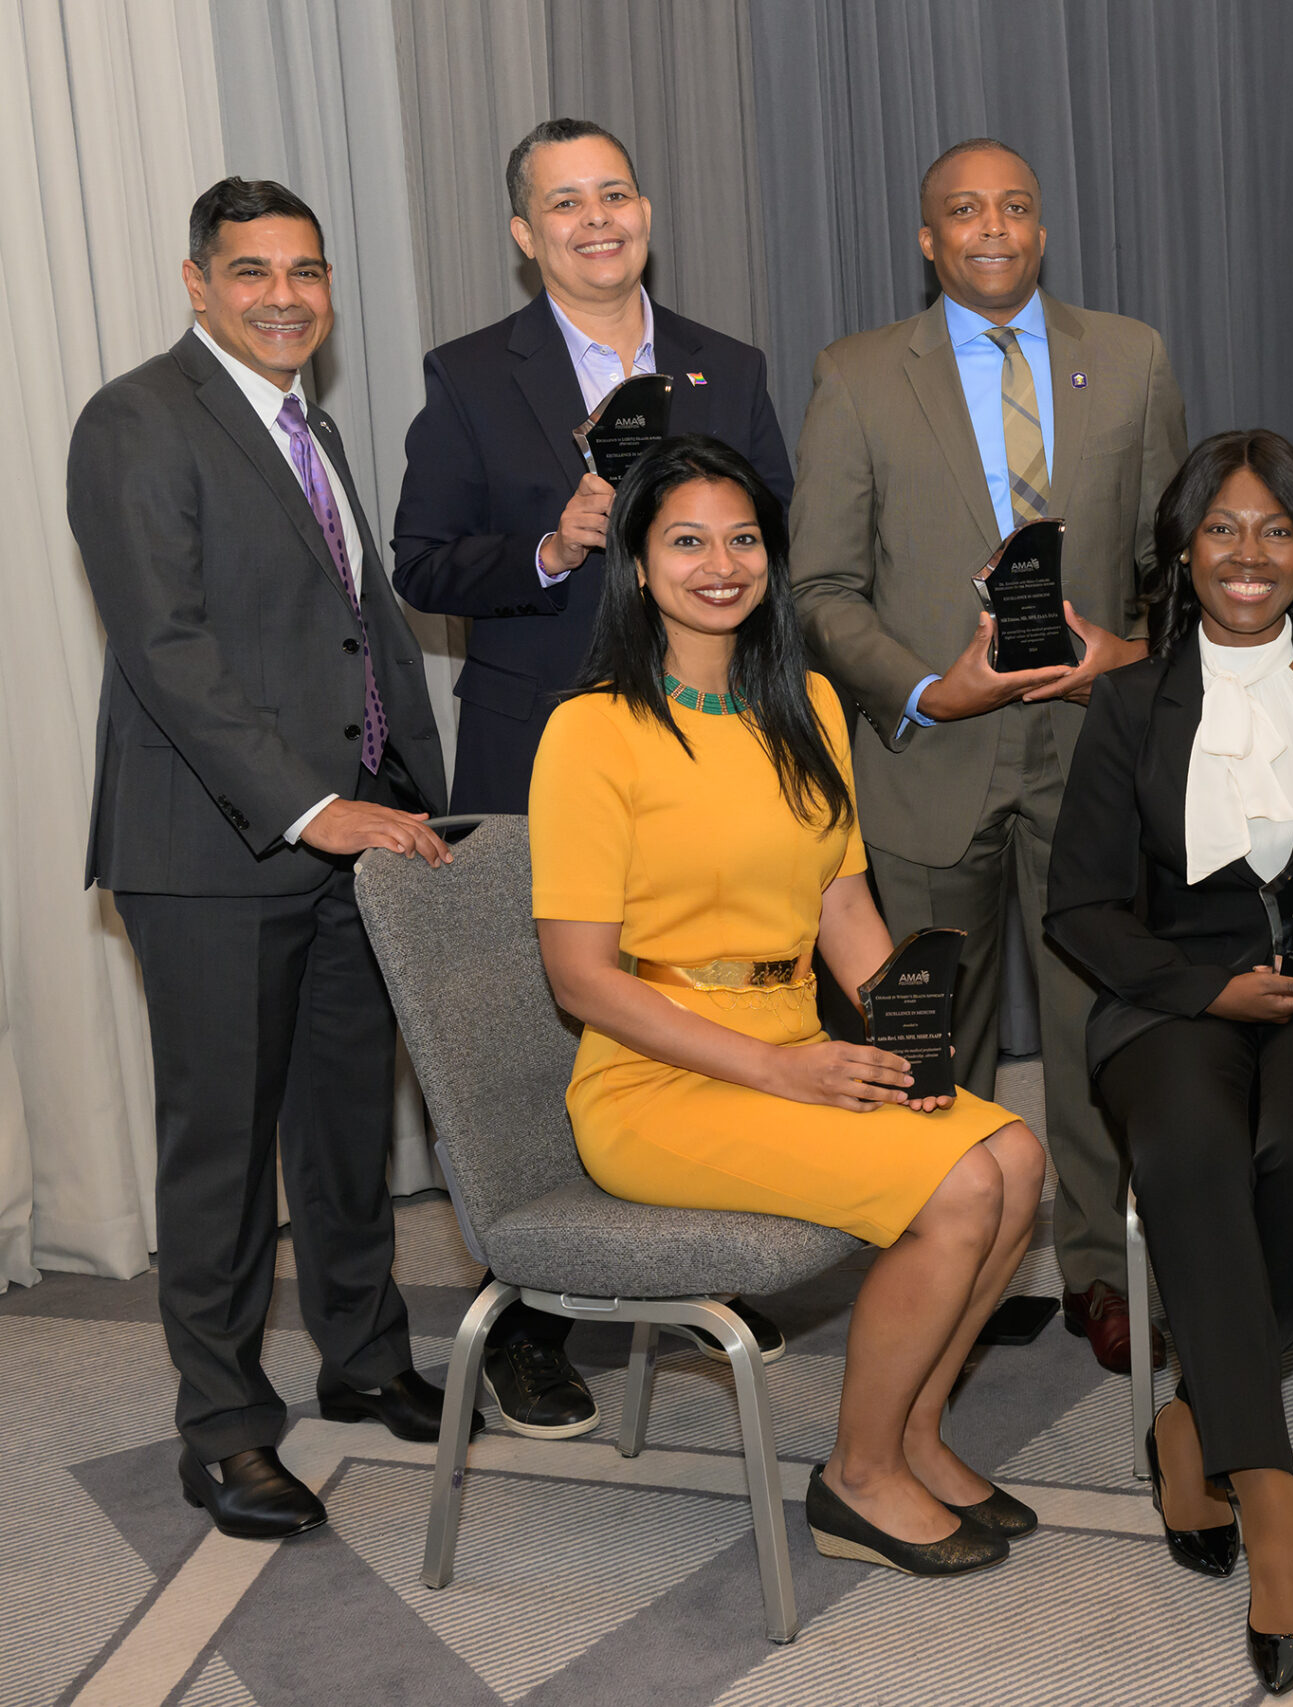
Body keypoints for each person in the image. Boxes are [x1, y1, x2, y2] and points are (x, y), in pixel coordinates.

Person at [529, 435, 1047, 1575]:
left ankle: (911, 1432)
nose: (721, 564)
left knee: (1012, 1157)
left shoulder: (807, 702)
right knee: (959, 1189)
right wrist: (780, 1071)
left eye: (743, 538)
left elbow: (843, 910)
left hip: (797, 1043)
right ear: (638, 561)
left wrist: (911, 1046)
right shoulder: (590, 731)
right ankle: (856, 1479)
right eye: (686, 541)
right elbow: (581, 980)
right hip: (653, 1081)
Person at [70, 178, 474, 1540]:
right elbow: (168, 651)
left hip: (359, 841)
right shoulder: (136, 420)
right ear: (198, 283)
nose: (286, 295)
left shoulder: (310, 423)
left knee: (348, 1126)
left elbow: (358, 629)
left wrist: (413, 798)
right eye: (252, 272)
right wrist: (314, 806)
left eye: (306, 270)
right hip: (215, 850)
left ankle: (362, 1359)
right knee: (223, 1148)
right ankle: (225, 1423)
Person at [392, 117, 796, 1436]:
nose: (595, 218)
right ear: (525, 236)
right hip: (541, 742)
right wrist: (556, 545)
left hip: (712, 737)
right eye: (563, 203)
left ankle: (712, 1252)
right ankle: (538, 1311)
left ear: (645, 210)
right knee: (533, 1023)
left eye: (614, 192)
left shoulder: (723, 367)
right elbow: (425, 562)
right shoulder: (469, 376)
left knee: (707, 976)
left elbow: (771, 532)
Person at [1046, 430, 1293, 1695]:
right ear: (1183, 548)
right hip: (1176, 1002)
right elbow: (1080, 906)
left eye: (1275, 529)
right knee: (1188, 1151)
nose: (1248, 553)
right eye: (1222, 527)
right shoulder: (1127, 701)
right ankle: (1273, 1502)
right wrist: (1205, 985)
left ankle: (1192, 1420)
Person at [794, 137, 1187, 1376]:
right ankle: (934, 1271)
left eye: (1016, 205)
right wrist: (927, 687)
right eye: (964, 211)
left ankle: (1098, 1272)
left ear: (1042, 228)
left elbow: (1176, 561)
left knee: (1091, 1029)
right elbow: (820, 587)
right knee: (925, 1035)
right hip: (928, 759)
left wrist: (1125, 651)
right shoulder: (856, 378)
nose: (993, 227)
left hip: (1089, 755)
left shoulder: (1128, 358)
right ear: (928, 240)